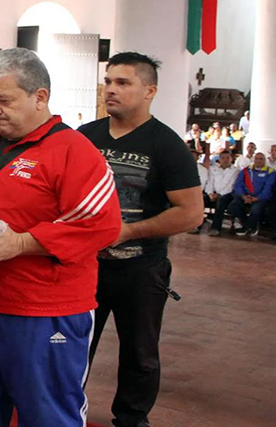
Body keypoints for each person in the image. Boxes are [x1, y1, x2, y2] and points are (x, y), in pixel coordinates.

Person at [0, 48, 122, 426]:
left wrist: (19, 243)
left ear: (40, 97)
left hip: (42, 312)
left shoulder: (74, 151)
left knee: (48, 414)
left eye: (4, 100)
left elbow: (100, 224)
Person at [79, 52, 203, 427]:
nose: (111, 90)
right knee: (73, 346)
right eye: (108, 81)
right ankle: (63, 409)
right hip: (85, 266)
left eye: (123, 82)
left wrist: (127, 231)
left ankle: (132, 419)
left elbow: (191, 213)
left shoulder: (166, 145)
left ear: (149, 91)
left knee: (140, 353)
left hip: (140, 267)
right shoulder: (85, 136)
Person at [228, 152, 276, 236]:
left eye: (261, 159)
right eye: (256, 159)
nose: (258, 161)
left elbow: (268, 188)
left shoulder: (270, 172)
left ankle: (247, 227)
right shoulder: (246, 170)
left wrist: (256, 198)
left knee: (255, 210)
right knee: (233, 206)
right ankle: (248, 224)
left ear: (265, 160)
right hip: (245, 196)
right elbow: (238, 184)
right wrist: (243, 196)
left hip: (261, 198)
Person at [206, 150, 240, 237]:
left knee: (221, 201)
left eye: (227, 158)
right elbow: (210, 182)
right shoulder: (213, 169)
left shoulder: (236, 170)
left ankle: (215, 228)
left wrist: (219, 194)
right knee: (201, 198)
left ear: (231, 159)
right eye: (223, 158)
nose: (225, 160)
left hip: (228, 194)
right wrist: (210, 193)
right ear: (219, 159)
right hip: (213, 193)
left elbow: (231, 185)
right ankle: (196, 225)